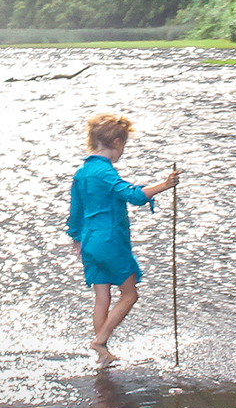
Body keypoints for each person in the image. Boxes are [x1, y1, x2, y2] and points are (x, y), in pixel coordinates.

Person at [65, 112, 179, 359]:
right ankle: (100, 342)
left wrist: (76, 238)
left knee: (102, 298)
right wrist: (166, 185)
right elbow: (133, 195)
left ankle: (103, 355)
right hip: (109, 241)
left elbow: (76, 211)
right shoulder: (105, 172)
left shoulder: (82, 172)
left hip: (89, 243)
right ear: (116, 143)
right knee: (130, 294)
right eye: (123, 145)